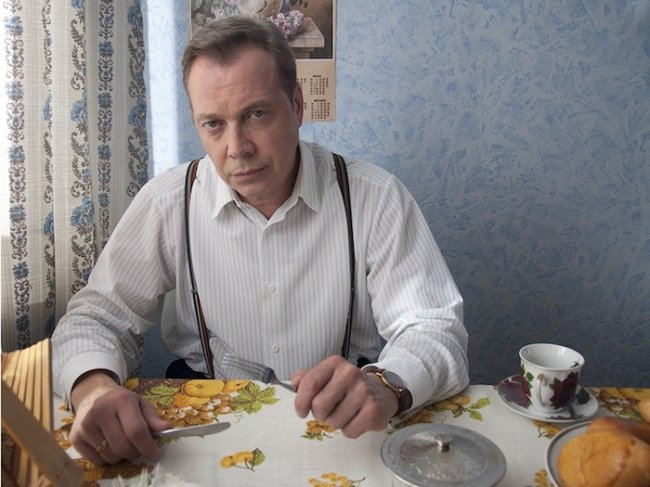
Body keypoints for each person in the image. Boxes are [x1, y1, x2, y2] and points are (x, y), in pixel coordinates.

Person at [51, 15, 469, 465]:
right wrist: (93, 389)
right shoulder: (168, 201)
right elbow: (95, 317)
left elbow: (434, 328)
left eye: (256, 114)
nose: (237, 147)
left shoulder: (376, 196)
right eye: (213, 123)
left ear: (297, 106)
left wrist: (386, 384)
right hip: (207, 423)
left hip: (345, 426)